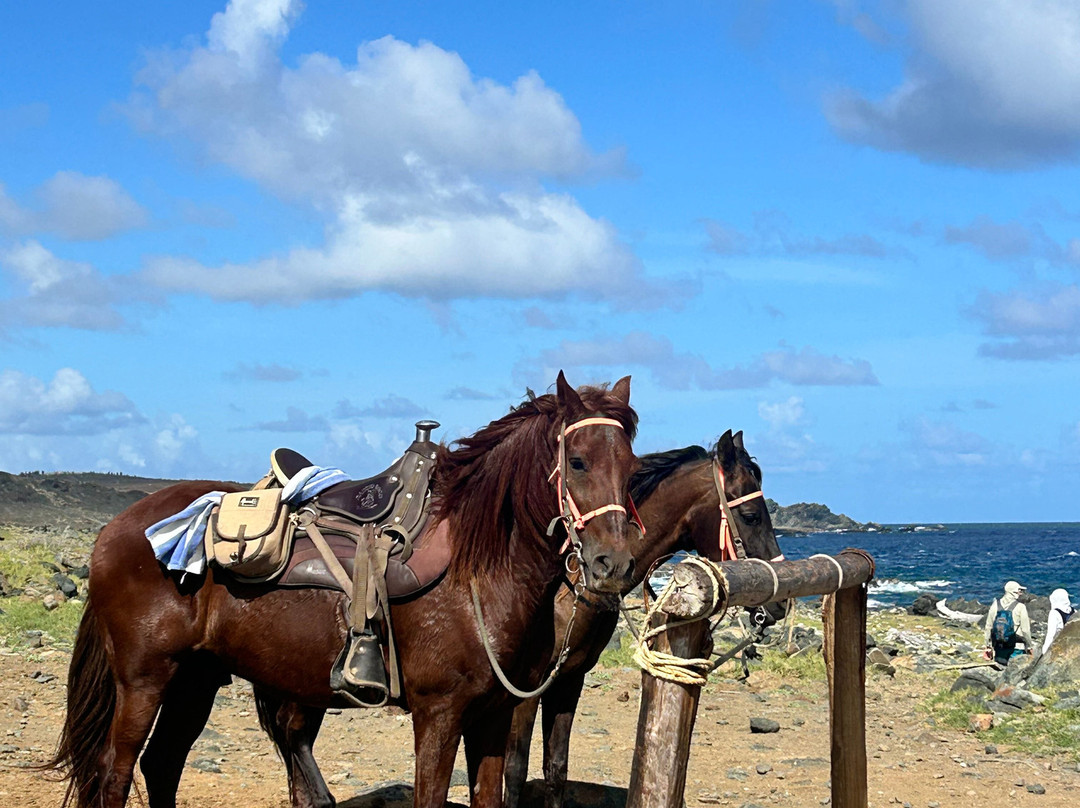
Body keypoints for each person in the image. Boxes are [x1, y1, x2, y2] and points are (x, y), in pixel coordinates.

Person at [983, 580, 1033, 666]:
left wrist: (987, 645)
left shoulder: (995, 605)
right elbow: (1025, 630)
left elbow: (989, 626)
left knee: (1000, 673)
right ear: (1013, 592)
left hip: (999, 646)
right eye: (1019, 590)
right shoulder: (1020, 607)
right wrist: (1029, 646)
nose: (1020, 593)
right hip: (1017, 647)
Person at [1042, 588, 1074, 656]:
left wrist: (1044, 651)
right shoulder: (1073, 611)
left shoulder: (1054, 613)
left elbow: (1051, 634)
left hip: (1061, 645)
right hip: (1073, 645)